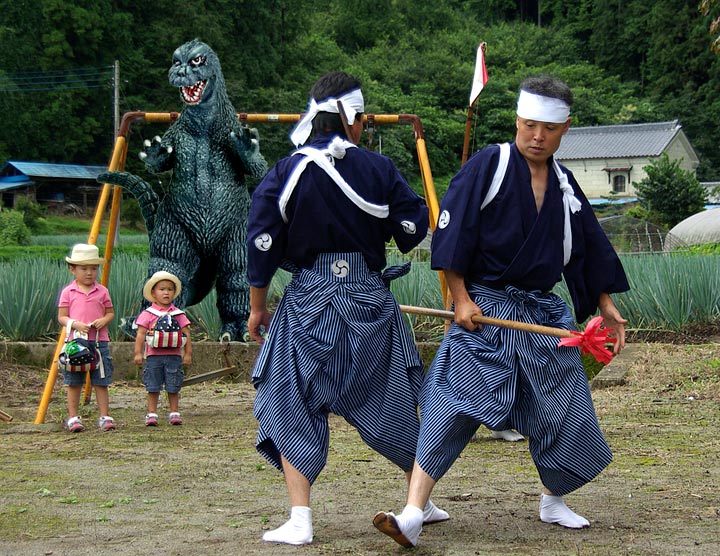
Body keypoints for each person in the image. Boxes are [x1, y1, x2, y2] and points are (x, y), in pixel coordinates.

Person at [374, 75, 630, 548]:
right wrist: (460, 297)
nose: (537, 136)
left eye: (548, 129)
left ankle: (554, 498)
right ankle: (412, 512)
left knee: (561, 409)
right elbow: (454, 231)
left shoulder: (563, 183)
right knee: (451, 405)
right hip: (484, 305)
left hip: (542, 314)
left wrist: (606, 305)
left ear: (565, 130)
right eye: (529, 125)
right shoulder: (488, 166)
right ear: (517, 120)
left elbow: (589, 248)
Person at [246, 71, 448, 546]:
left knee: (291, 399)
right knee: (394, 396)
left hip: (308, 299)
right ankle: (418, 499)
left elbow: (261, 239)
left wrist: (258, 306)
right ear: (354, 119)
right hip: (369, 299)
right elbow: (413, 229)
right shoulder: (378, 169)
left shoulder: (286, 170)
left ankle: (301, 518)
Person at [57, 243, 116, 432]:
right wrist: (74, 323)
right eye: (84, 268)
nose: (89, 273)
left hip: (99, 342)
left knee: (101, 379)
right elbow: (62, 317)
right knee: (74, 380)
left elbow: (110, 313)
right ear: (73, 269)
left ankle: (105, 416)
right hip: (76, 343)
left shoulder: (102, 291)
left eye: (93, 268)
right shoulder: (68, 292)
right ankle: (73, 417)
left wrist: (103, 320)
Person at [134, 271, 192, 426]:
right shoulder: (148, 314)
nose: (166, 292)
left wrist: (188, 354)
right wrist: (138, 353)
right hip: (153, 356)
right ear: (153, 292)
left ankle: (174, 412)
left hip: (174, 356)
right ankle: (152, 413)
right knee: (153, 385)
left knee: (173, 385)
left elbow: (186, 334)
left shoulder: (178, 314)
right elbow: (140, 334)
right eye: (161, 289)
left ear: (174, 292)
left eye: (169, 289)